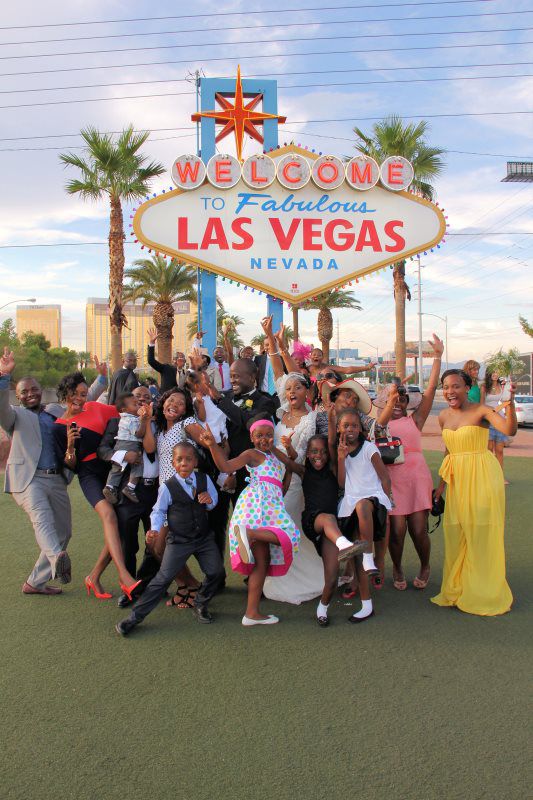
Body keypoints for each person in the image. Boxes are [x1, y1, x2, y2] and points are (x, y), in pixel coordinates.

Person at [115, 442, 224, 635]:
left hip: (203, 539)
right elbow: (158, 511)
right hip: (179, 540)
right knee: (162, 579)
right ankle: (134, 618)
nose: (184, 463)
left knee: (216, 572)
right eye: (179, 459)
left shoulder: (204, 479)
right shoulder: (167, 487)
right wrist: (154, 530)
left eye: (188, 459)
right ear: (173, 463)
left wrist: (209, 500)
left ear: (195, 462)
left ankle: (200, 602)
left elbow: (214, 501)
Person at [199, 419, 301, 626]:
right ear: (252, 438)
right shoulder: (252, 454)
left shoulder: (274, 457)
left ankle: (251, 613)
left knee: (262, 563)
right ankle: (249, 534)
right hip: (257, 507)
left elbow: (284, 481)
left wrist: (288, 462)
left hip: (271, 508)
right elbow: (226, 466)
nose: (264, 439)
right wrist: (212, 445)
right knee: (290, 534)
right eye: (259, 435)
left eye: (268, 435)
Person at [431, 369, 515, 616]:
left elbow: (509, 430)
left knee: (480, 533)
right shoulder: (443, 416)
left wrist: (510, 402)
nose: (450, 391)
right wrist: (441, 485)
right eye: (446, 386)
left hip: (482, 478)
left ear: (467, 388)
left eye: (456, 386)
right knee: (457, 534)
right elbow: (449, 450)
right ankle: (459, 588)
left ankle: (483, 592)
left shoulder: (482, 411)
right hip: (457, 482)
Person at [53, 372, 141, 601]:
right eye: (75, 394)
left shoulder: (95, 408)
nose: (79, 399)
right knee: (109, 516)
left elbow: (125, 410)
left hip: (112, 471)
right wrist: (70, 445)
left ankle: (93, 576)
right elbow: (71, 465)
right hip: (89, 475)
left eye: (83, 394)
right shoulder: (58, 427)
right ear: (65, 393)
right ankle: (125, 577)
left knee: (119, 525)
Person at [259, 316, 324, 604]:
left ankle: (300, 576)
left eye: (298, 388)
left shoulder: (311, 420)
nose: (291, 392)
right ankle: (275, 572)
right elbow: (278, 372)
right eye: (288, 389)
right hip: (269, 480)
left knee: (286, 524)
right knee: (273, 524)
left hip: (295, 481)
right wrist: (270, 339)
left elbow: (305, 460)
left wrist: (286, 457)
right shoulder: (282, 413)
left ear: (307, 392)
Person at [0, 348, 73, 595]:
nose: (30, 394)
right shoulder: (14, 416)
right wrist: (3, 377)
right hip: (29, 479)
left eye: (33, 389)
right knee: (42, 520)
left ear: (40, 390)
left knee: (63, 531)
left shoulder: (54, 410)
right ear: (18, 396)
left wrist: (103, 380)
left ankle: (35, 583)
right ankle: (57, 559)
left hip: (57, 479)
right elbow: (1, 409)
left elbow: (77, 407)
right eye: (24, 392)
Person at [378, 335, 443, 591]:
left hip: (416, 478)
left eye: (402, 400)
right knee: (396, 531)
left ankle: (425, 565)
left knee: (418, 530)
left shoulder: (415, 420)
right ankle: (397, 567)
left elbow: (431, 390)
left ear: (408, 404)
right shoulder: (379, 423)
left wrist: (437, 357)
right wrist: (391, 392)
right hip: (392, 480)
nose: (398, 403)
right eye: (393, 400)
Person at [142, 387, 207, 607]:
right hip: (165, 495)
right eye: (171, 400)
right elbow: (149, 448)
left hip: (182, 495)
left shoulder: (185, 423)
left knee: (160, 546)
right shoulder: (160, 429)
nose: (174, 405)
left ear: (185, 410)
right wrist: (147, 420)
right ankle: (185, 585)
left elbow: (206, 442)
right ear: (163, 403)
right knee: (158, 546)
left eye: (180, 403)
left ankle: (193, 585)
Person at [97, 384, 161, 607]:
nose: (142, 399)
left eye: (146, 396)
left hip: (155, 491)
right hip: (129, 490)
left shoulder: (158, 421)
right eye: (137, 397)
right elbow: (103, 450)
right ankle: (129, 587)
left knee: (155, 540)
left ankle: (148, 583)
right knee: (128, 542)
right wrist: (124, 455)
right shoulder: (117, 422)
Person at [301, 435, 366, 626]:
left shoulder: (332, 470)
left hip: (331, 530)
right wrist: (280, 448)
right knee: (328, 518)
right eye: (314, 451)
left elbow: (331, 443)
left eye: (323, 452)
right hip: (313, 521)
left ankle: (322, 609)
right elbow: (287, 462)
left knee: (331, 578)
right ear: (307, 454)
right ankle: (345, 545)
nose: (318, 455)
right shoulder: (303, 471)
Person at [336, 409, 394, 622]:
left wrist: (387, 503)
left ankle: (370, 557)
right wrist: (341, 458)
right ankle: (366, 604)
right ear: (339, 429)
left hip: (373, 500)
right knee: (356, 551)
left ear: (360, 428)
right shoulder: (341, 451)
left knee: (362, 508)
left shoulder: (369, 448)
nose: (350, 429)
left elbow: (384, 477)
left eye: (354, 425)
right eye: (345, 426)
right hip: (351, 503)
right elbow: (342, 483)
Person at [201, 357, 277, 496]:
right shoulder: (226, 396)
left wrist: (219, 399)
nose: (232, 381)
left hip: (245, 472)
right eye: (230, 376)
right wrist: (197, 369)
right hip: (219, 465)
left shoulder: (265, 402)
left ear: (252, 377)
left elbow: (248, 421)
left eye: (236, 376)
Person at [103, 392, 149, 505]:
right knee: (138, 464)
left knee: (117, 467)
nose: (139, 405)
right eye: (135, 404)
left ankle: (110, 486)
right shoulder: (131, 420)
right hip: (131, 444)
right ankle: (130, 487)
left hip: (120, 444)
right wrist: (144, 421)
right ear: (124, 410)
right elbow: (139, 434)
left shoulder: (125, 418)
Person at [481, 369, 511, 482]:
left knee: (499, 451)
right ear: (489, 373)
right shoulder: (484, 386)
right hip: (488, 421)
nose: (495, 374)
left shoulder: (502, 386)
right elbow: (481, 404)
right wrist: (489, 414)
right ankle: (488, 476)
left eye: (497, 372)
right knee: (489, 451)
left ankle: (500, 477)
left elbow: (506, 401)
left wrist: (498, 410)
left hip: (500, 421)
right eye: (493, 372)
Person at [147, 327, 187, 392]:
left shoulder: (186, 373)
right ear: (173, 360)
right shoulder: (166, 368)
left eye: (182, 360)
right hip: (165, 398)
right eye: (177, 358)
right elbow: (151, 361)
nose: (179, 361)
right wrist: (152, 343)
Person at [308, 347, 376, 382]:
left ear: (322, 358)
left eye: (319, 355)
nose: (316, 357)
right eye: (314, 355)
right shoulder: (306, 369)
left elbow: (347, 370)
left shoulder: (327, 367)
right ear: (310, 357)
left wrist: (367, 367)